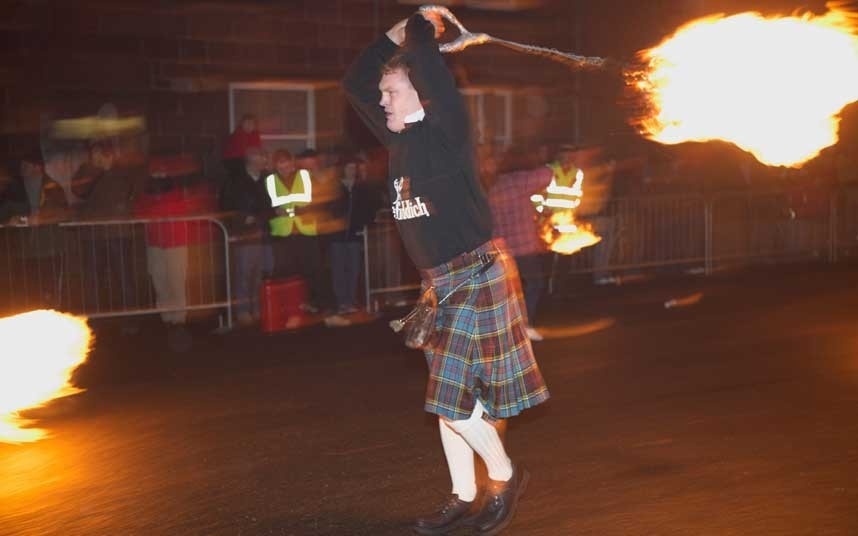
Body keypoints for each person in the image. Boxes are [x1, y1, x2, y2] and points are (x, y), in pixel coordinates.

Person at [344, 12, 549, 535]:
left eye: (392, 91)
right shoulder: (396, 140)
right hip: (439, 284)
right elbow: (354, 80)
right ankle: (462, 494)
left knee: (452, 402)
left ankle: (505, 475)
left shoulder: (446, 133)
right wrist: (401, 24)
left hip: (476, 275)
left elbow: (432, 71)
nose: (382, 99)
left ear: (419, 91)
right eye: (384, 93)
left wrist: (421, 27)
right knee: (453, 405)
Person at [488, 146, 554, 342]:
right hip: (524, 248)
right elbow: (548, 174)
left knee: (507, 290)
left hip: (501, 250)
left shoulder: (494, 186)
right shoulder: (519, 181)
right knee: (534, 284)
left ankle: (504, 328)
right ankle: (524, 325)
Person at [220, 146, 274, 326]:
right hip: (243, 233)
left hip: (261, 231)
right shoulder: (236, 181)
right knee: (243, 272)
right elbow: (226, 205)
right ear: (251, 158)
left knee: (258, 273)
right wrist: (242, 219)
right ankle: (243, 309)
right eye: (261, 156)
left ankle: (256, 307)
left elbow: (270, 205)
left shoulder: (266, 180)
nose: (265, 160)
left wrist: (260, 218)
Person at [324, 153, 379, 327]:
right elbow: (330, 209)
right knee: (339, 268)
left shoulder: (360, 187)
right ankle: (342, 301)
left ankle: (351, 299)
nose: (352, 171)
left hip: (354, 234)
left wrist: (364, 223)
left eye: (354, 168)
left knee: (354, 267)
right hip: (337, 235)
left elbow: (367, 208)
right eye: (349, 168)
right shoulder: (335, 187)